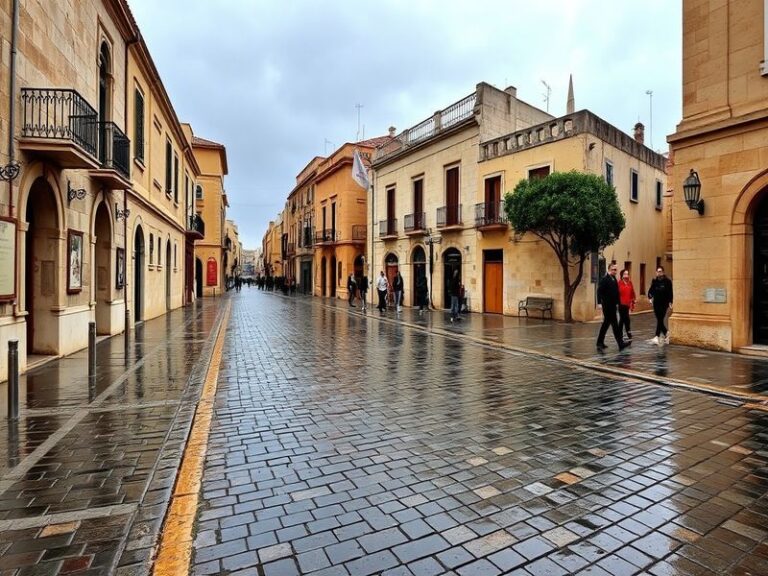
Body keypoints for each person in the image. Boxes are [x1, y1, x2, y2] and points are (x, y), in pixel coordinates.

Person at [596, 263, 631, 351]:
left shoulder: (614, 279)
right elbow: (599, 291)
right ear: (609, 269)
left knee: (606, 324)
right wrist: (599, 303)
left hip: (613, 305)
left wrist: (618, 303)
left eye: (616, 270)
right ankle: (620, 344)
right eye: (613, 270)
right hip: (607, 306)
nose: (615, 271)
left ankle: (599, 342)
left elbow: (616, 293)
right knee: (615, 325)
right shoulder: (605, 279)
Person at [648, 266, 673, 344]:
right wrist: (650, 297)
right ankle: (666, 333)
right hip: (656, 303)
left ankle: (657, 336)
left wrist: (670, 302)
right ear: (656, 272)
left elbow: (670, 292)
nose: (659, 273)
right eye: (658, 271)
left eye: (660, 271)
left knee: (660, 319)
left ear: (663, 272)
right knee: (659, 319)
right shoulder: (654, 281)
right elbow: (650, 291)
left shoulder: (668, 282)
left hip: (664, 303)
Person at [617, 269, 636, 340]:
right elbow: (617, 293)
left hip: (627, 304)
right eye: (625, 274)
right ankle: (627, 334)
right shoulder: (619, 283)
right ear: (622, 275)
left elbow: (632, 292)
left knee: (624, 319)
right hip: (621, 304)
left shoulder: (630, 283)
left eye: (627, 274)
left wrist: (633, 300)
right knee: (625, 319)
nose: (626, 275)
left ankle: (621, 334)